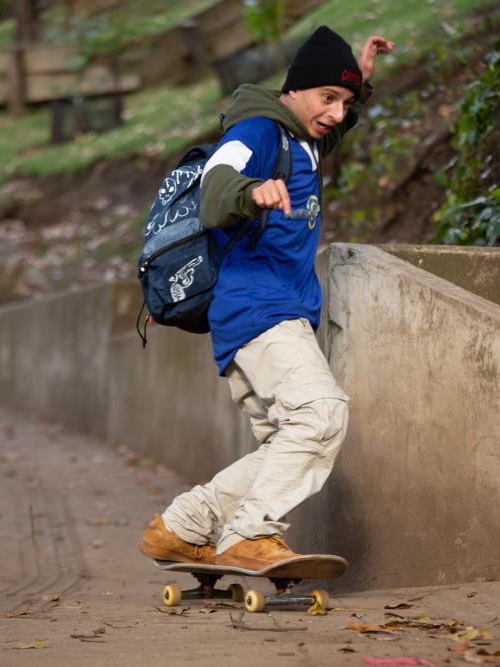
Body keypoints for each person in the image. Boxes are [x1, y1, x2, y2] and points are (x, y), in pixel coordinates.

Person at [140, 26, 394, 570]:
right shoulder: (257, 130)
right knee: (320, 415)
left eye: (346, 103)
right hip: (260, 309)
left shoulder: (299, 140)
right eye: (328, 98)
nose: (337, 114)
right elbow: (215, 187)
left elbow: (324, 135)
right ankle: (249, 535)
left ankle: (182, 527)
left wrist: (362, 82)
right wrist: (248, 192)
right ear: (295, 90)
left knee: (285, 445)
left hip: (262, 316)